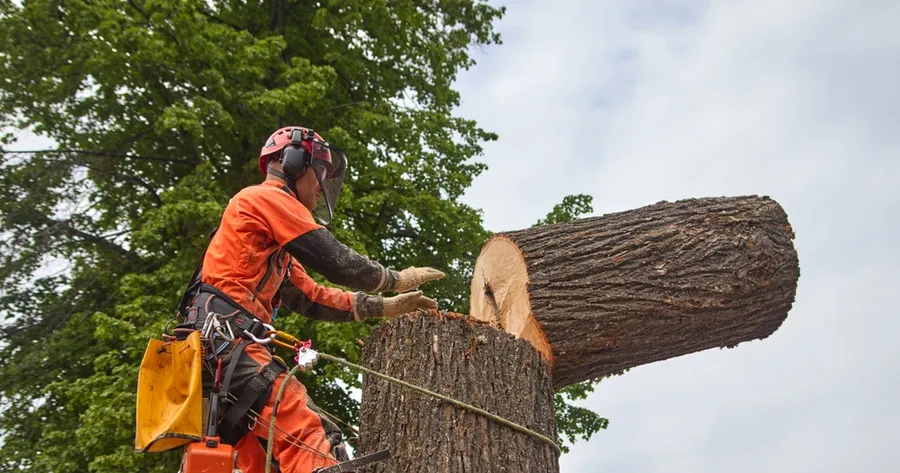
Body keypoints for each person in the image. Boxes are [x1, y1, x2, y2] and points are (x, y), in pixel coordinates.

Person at [175, 126, 445, 473]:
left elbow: (314, 298)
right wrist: (395, 279)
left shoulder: (276, 250)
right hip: (226, 341)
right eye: (320, 172)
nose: (321, 185)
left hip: (224, 348)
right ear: (293, 161)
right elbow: (335, 260)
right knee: (306, 430)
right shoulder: (264, 199)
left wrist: (386, 306)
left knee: (261, 458)